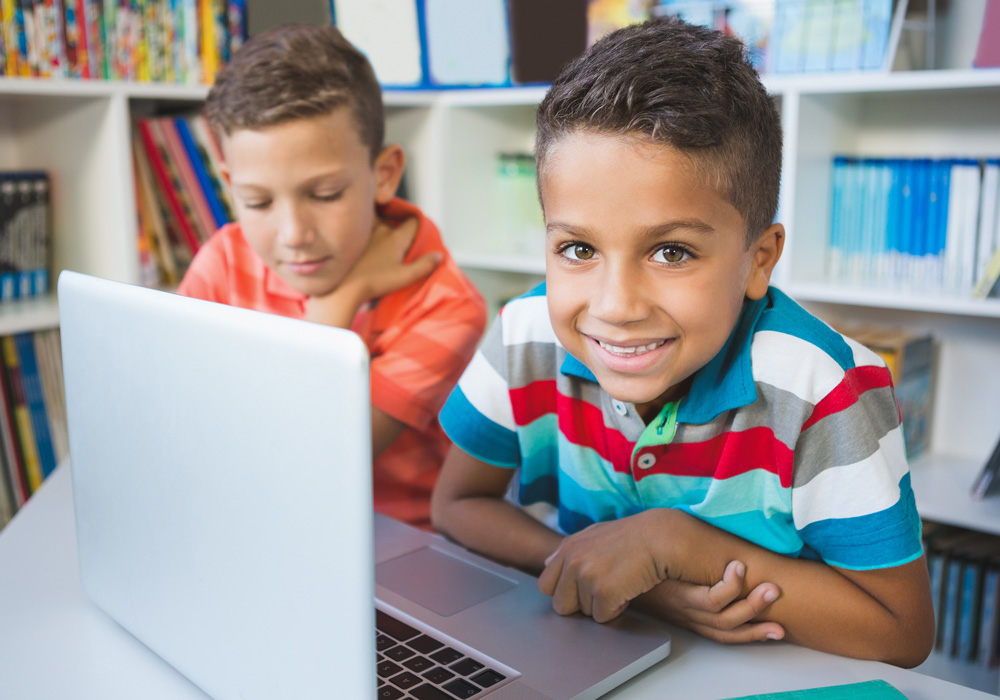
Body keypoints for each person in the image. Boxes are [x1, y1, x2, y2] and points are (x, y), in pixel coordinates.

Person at [431, 17, 933, 667]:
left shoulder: (820, 388)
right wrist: (627, 578)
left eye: (672, 251)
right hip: (593, 657)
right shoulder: (526, 335)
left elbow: (902, 633)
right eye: (578, 248)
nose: (615, 306)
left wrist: (676, 543)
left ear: (759, 259)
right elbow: (456, 503)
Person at [178, 24, 487, 529]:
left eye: (324, 195)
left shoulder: (446, 304)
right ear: (230, 185)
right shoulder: (223, 260)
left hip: (391, 539)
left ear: (384, 174)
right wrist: (349, 291)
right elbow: (186, 426)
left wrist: (332, 307)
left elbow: (305, 461)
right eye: (257, 202)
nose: (294, 234)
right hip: (244, 515)